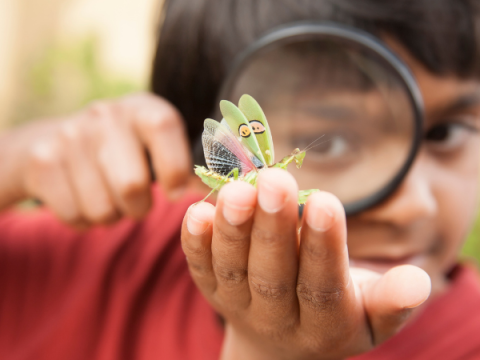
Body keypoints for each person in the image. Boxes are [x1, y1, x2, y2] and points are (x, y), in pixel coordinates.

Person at [0, 0, 480, 359]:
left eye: (446, 132)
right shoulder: (111, 256)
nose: (414, 206)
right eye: (331, 141)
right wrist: (18, 159)